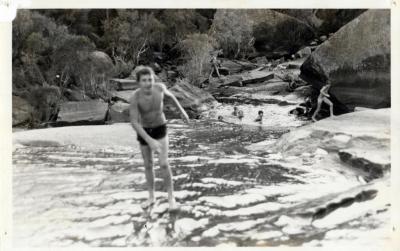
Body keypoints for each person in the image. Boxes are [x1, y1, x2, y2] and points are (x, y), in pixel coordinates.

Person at [129, 66, 190, 211]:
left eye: (150, 79)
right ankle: (151, 198)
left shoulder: (160, 88)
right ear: (139, 83)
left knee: (163, 163)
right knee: (148, 165)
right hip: (144, 131)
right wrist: (149, 140)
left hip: (160, 128)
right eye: (144, 80)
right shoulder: (135, 97)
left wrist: (182, 111)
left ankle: (171, 198)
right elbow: (134, 122)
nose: (148, 83)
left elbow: (171, 97)